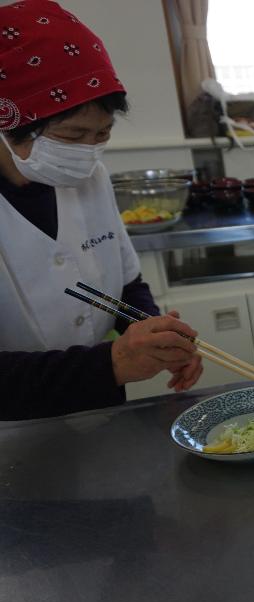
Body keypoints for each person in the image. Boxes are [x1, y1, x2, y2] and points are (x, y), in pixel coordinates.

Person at [0, 0, 202, 420]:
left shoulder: (90, 176)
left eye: (102, 134)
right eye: (73, 135)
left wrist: (153, 335)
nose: (88, 152)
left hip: (99, 415)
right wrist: (113, 363)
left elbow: (123, 287)